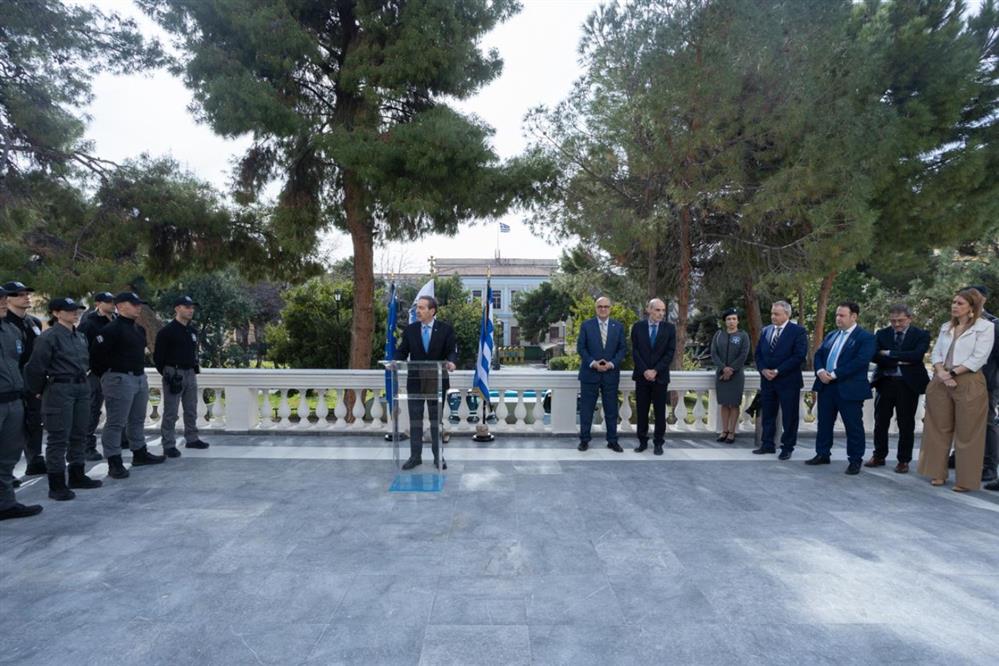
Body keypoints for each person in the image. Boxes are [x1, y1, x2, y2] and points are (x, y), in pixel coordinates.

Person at [24, 298, 103, 500]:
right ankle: (57, 484)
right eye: (69, 310)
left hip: (81, 386)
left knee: (80, 433)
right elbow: (35, 367)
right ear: (56, 313)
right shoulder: (48, 337)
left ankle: (77, 474)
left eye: (76, 310)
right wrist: (37, 390)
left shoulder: (80, 336)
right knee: (58, 437)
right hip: (60, 387)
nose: (75, 313)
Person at [918, 288, 994, 492]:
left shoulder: (985, 327)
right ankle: (937, 472)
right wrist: (942, 373)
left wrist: (951, 374)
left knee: (968, 433)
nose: (954, 306)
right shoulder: (946, 327)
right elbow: (936, 354)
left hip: (968, 381)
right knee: (937, 429)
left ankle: (966, 480)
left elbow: (979, 357)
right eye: (953, 302)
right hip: (941, 380)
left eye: (960, 303)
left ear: (972, 307)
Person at [90, 292, 165, 478]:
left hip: (139, 377)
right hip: (119, 379)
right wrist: (111, 376)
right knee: (116, 422)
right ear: (121, 306)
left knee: (137, 419)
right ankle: (114, 461)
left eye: (139, 304)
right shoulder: (110, 330)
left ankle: (139, 453)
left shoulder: (138, 329)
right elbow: (96, 358)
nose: (139, 307)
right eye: (134, 304)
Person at [806, 302, 877, 475]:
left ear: (854, 316)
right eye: (837, 315)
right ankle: (822, 454)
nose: (838, 318)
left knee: (853, 426)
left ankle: (855, 460)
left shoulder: (865, 337)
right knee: (824, 423)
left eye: (842, 315)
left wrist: (834, 374)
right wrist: (820, 371)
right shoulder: (832, 335)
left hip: (849, 388)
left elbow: (860, 361)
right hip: (826, 387)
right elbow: (819, 354)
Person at [394, 296, 457, 470]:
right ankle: (415, 457)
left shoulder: (445, 329)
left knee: (436, 421)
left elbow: (451, 351)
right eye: (417, 308)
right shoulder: (411, 330)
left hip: (437, 380)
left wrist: (451, 362)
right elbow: (402, 351)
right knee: (415, 420)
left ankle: (438, 457)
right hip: (415, 381)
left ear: (432, 311)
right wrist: (394, 362)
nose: (417, 311)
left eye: (421, 308)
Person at [866, 304, 930, 473]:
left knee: (906, 423)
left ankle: (903, 460)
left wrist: (888, 353)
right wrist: (902, 359)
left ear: (909, 318)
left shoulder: (921, 334)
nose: (896, 324)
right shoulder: (882, 334)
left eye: (900, 320)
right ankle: (879, 455)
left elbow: (917, 356)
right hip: (885, 382)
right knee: (881, 422)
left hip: (908, 385)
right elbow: (874, 355)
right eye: (893, 321)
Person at [0, 286, 43, 521]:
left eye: (3, 297)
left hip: (14, 398)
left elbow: (22, 362)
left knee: (8, 456)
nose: (3, 302)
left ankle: (6, 504)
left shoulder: (11, 330)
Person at [154, 295, 210, 457]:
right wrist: (168, 373)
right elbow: (158, 357)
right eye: (187, 307)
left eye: (192, 307)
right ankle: (168, 444)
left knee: (191, 409)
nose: (191, 310)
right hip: (174, 373)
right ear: (177, 308)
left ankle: (192, 439)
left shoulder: (192, 331)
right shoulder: (166, 331)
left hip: (190, 372)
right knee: (171, 411)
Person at [753, 301, 808, 459]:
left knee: (789, 416)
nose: (773, 316)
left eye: (776, 314)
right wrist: (763, 370)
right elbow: (758, 354)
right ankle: (767, 444)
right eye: (772, 313)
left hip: (788, 381)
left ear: (786, 314)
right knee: (768, 414)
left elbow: (799, 356)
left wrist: (778, 371)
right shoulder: (766, 331)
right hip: (767, 381)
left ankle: (787, 447)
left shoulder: (798, 331)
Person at [577, 296, 627, 453]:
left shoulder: (618, 326)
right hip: (589, 374)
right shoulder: (586, 325)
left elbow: (622, 349)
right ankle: (584, 440)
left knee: (611, 410)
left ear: (610, 308)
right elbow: (581, 348)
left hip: (610, 375)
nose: (603, 309)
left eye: (606, 306)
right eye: (600, 306)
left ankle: (612, 441)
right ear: (596, 308)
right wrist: (593, 363)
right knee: (586, 410)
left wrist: (611, 364)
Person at [630, 298, 675, 455]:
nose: (661, 313)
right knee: (642, 411)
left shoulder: (670, 329)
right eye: (657, 310)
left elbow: (670, 353)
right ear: (649, 310)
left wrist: (655, 371)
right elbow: (635, 351)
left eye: (663, 310)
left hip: (660, 377)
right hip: (642, 377)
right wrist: (645, 371)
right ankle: (642, 442)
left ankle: (658, 443)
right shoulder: (637, 327)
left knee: (659, 412)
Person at [78, 291, 117, 460]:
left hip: (116, 371)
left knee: (118, 408)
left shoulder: (117, 320)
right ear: (98, 304)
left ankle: (120, 439)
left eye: (113, 301)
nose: (112, 304)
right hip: (96, 373)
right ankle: (86, 446)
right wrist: (88, 368)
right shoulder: (89, 322)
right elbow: (80, 347)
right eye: (108, 301)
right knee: (93, 409)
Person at [966, 286, 999, 489]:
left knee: (987, 422)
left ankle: (989, 466)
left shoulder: (993, 324)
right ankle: (961, 457)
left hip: (986, 382)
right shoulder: (960, 322)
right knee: (963, 421)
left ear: (983, 300)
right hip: (963, 381)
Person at [711, 308, 750, 444]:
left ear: (738, 321)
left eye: (734, 319)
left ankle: (732, 432)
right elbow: (714, 354)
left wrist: (731, 369)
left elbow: (743, 354)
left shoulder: (743, 336)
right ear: (725, 321)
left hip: (736, 375)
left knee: (734, 404)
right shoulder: (718, 335)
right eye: (728, 319)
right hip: (721, 374)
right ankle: (724, 430)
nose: (731, 321)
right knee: (724, 403)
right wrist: (724, 368)